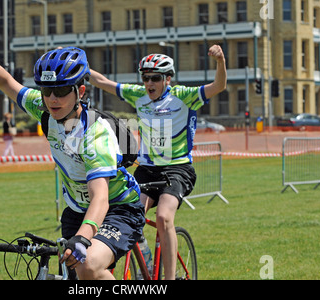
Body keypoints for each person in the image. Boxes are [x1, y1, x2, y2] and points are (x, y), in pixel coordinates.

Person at [0, 41, 145, 280]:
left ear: (80, 92)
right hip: (76, 210)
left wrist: (83, 238)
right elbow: (7, 83)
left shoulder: (96, 134)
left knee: (88, 266)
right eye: (46, 90)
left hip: (118, 208)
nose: (53, 98)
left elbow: (100, 197)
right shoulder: (44, 108)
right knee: (76, 278)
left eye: (62, 91)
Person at [89, 45, 227, 279]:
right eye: (145, 78)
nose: (149, 83)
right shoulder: (138, 94)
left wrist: (220, 62)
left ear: (167, 79)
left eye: (155, 78)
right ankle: (144, 267)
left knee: (163, 217)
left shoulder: (183, 96)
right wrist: (78, 63)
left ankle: (168, 279)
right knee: (129, 217)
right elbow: (102, 81)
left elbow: (219, 86)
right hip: (146, 170)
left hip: (177, 169)